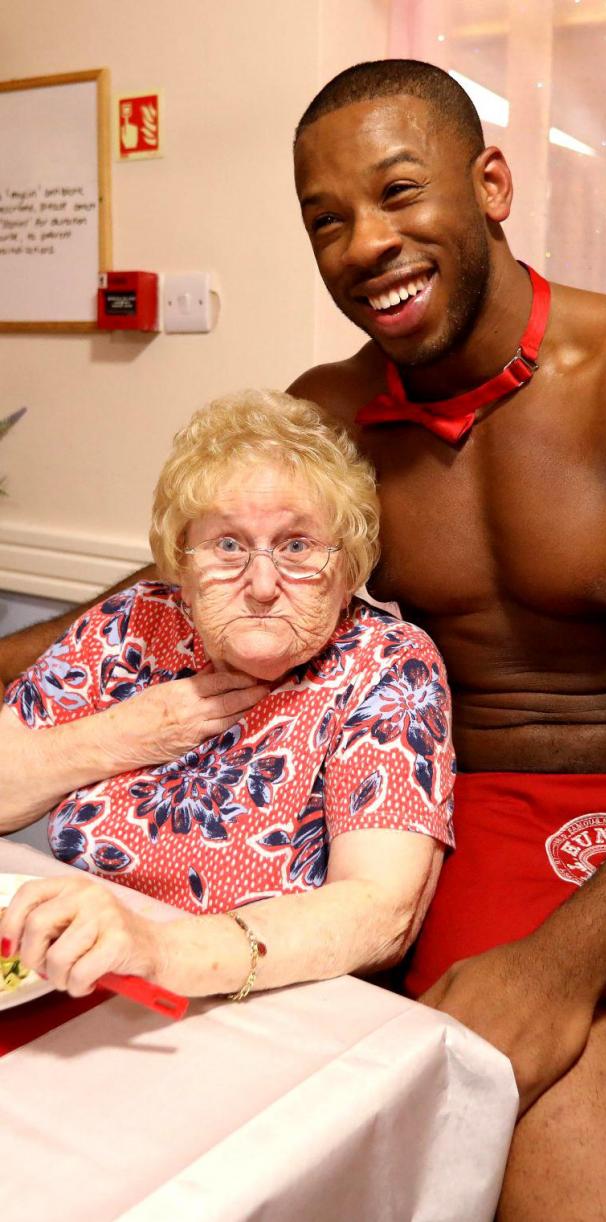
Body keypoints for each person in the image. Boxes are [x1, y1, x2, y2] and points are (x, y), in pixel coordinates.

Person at [2, 59, 606, 1219]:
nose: (366, 242)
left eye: (397, 192)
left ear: (490, 185)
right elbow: (177, 582)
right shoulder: (331, 417)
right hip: (474, 842)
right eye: (326, 220)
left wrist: (567, 959)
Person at [0, 388, 455, 1004]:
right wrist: (117, 737)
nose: (262, 584)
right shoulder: (130, 625)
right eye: (229, 545)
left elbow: (379, 912)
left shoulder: (387, 665)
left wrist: (162, 952)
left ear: (348, 568)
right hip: (72, 980)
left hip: (266, 1004)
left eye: (297, 546)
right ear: (181, 564)